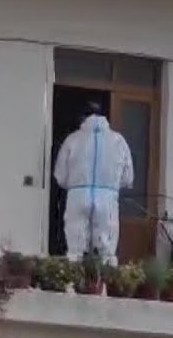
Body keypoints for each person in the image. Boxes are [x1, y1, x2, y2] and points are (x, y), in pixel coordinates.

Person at [53, 110, 134, 264]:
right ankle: (104, 275)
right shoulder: (118, 141)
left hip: (78, 195)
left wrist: (74, 184)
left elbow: (60, 176)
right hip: (107, 197)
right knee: (106, 248)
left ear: (83, 119)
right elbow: (128, 177)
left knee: (75, 247)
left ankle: (75, 274)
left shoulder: (73, 139)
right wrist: (111, 186)